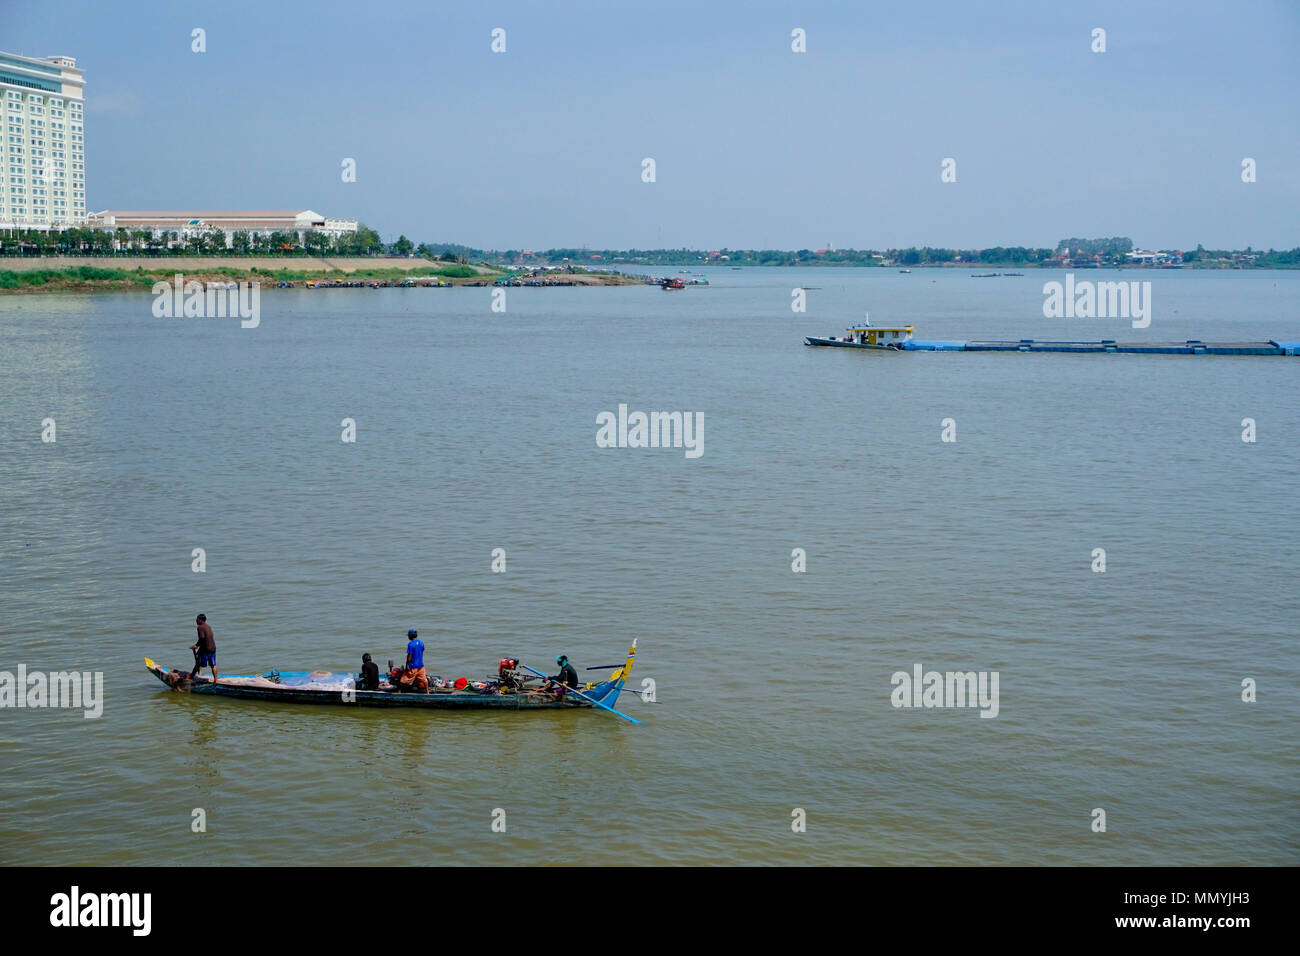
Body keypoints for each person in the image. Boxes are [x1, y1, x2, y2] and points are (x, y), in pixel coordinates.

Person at [189, 613, 218, 682]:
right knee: (213, 665)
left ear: (201, 620)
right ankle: (216, 680)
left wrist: (196, 645)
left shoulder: (200, 627)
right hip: (213, 648)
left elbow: (202, 638)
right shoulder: (208, 626)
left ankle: (191, 676)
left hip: (206, 649)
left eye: (197, 619)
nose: (196, 620)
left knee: (198, 664)